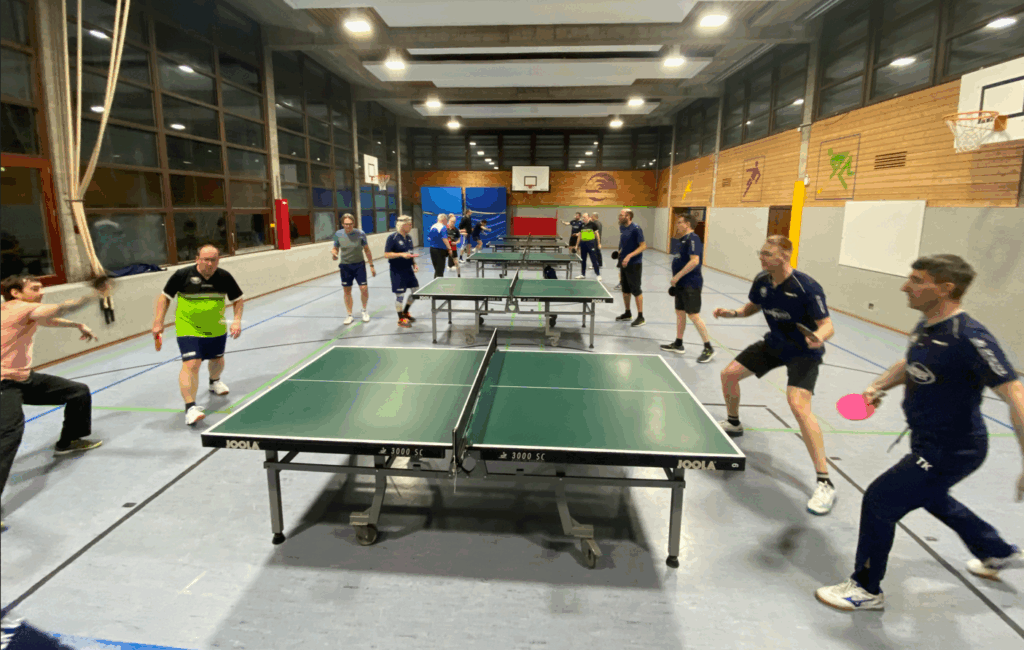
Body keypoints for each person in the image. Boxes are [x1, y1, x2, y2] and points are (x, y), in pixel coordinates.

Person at [816, 254, 1024, 611]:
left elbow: (1016, 393)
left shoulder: (970, 338)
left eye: (916, 280)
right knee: (932, 495)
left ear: (945, 288)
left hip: (953, 448)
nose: (904, 287)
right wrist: (878, 385)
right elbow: (910, 363)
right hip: (926, 439)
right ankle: (996, 551)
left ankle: (865, 589)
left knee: (881, 499)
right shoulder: (928, 325)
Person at [713, 235, 837, 515]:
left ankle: (824, 482)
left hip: (804, 352)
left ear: (784, 256)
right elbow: (752, 307)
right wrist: (733, 313)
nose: (762, 257)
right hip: (775, 344)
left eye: (768, 254)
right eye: (761, 252)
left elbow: (827, 325)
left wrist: (818, 337)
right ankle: (734, 422)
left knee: (798, 405)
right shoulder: (762, 280)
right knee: (729, 374)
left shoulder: (807, 287)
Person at [1, 275, 103, 503]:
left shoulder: (19, 311)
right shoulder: (19, 307)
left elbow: (49, 320)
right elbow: (62, 308)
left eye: (41, 288)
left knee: (77, 391)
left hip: (22, 378)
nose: (41, 292)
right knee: (9, 434)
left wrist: (77, 325)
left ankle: (69, 441)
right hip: (4, 383)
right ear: (16, 293)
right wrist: (92, 295)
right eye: (35, 288)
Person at [153, 244, 244, 426]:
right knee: (191, 363)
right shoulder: (182, 275)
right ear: (197, 259)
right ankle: (190, 408)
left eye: (213, 260)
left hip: (216, 327)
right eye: (205, 259)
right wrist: (158, 321)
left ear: (218, 260)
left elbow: (238, 300)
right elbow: (165, 298)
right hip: (188, 327)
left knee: (217, 359)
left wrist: (236, 321)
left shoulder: (224, 277)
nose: (209, 263)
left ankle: (214, 381)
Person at [661, 214, 714, 363]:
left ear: (688, 224)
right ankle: (678, 343)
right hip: (681, 284)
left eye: (680, 222)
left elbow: (694, 261)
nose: (677, 225)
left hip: (691, 283)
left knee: (693, 315)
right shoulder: (682, 240)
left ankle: (708, 348)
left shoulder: (693, 239)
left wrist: (677, 276)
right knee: (680, 312)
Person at [331, 213, 376, 324]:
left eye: (350, 224)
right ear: (342, 224)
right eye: (346, 224)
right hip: (345, 266)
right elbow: (335, 248)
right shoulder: (338, 234)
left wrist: (371, 265)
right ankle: (349, 315)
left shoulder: (360, 234)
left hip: (359, 265)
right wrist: (334, 254)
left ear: (354, 223)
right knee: (347, 290)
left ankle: (364, 311)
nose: (348, 226)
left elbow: (367, 250)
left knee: (364, 288)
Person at [384, 216, 420, 328]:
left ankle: (405, 312)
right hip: (397, 271)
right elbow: (386, 254)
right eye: (410, 224)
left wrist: (414, 263)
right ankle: (400, 319)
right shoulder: (392, 238)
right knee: (400, 296)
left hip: (408, 270)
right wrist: (401, 254)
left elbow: (410, 253)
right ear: (403, 225)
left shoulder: (409, 238)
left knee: (416, 291)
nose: (411, 226)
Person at [615, 209, 646, 327]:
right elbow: (624, 243)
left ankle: (641, 317)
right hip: (624, 263)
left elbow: (643, 246)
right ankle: (628, 313)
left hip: (634, 263)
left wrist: (629, 255)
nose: (619, 217)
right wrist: (620, 252)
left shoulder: (636, 229)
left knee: (636, 290)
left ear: (628, 216)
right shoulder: (622, 227)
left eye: (621, 215)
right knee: (625, 290)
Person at [575, 214, 602, 281]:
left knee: (594, 260)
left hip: (591, 244)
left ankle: (598, 275)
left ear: (588, 217)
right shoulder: (582, 225)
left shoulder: (593, 224)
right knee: (583, 260)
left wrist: (599, 243)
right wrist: (576, 245)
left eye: (584, 217)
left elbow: (597, 234)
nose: (583, 218)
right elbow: (579, 235)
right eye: (582, 217)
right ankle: (583, 274)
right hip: (583, 244)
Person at [426, 214, 452, 279]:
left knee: (437, 270)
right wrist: (449, 248)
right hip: (440, 251)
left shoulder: (433, 226)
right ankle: (438, 284)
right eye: (446, 220)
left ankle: (435, 282)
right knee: (440, 270)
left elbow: (429, 238)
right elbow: (444, 239)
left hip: (432, 249)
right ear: (444, 219)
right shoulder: (443, 227)